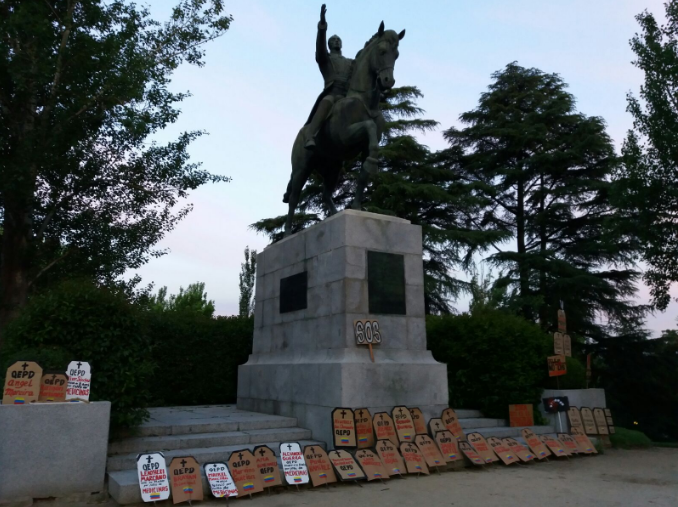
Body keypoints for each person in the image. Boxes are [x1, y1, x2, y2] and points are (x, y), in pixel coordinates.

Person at [304, 4, 353, 150]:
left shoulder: (350, 62)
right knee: (326, 102)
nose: (337, 41)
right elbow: (320, 47)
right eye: (333, 40)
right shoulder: (325, 59)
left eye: (339, 40)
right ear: (329, 44)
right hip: (332, 93)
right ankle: (310, 136)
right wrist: (322, 27)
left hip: (347, 95)